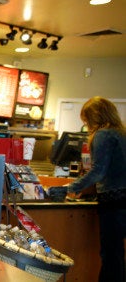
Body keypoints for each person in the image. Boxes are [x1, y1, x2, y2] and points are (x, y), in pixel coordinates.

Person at [66, 96, 126, 282]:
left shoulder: (103, 135)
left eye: (86, 121)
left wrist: (70, 187)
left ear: (94, 117)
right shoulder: (122, 133)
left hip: (113, 202)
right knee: (118, 256)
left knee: (111, 256)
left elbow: (99, 171)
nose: (87, 126)